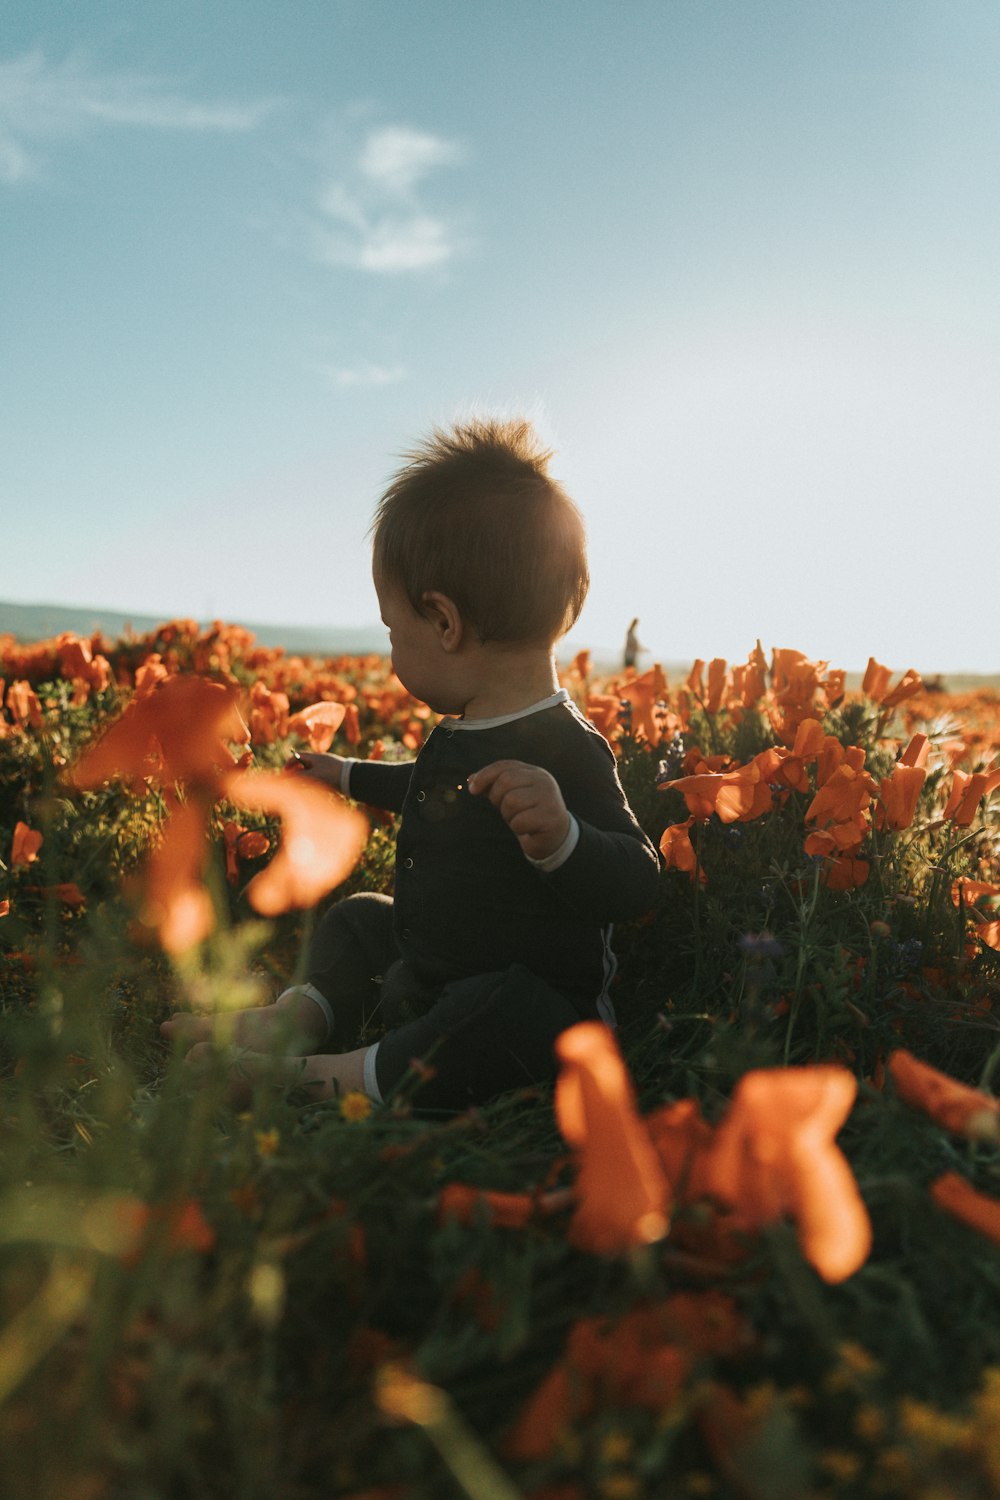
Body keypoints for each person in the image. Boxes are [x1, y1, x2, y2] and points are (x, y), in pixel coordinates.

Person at [162, 418, 660, 1110]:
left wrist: (564, 840)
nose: (394, 651)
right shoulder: (463, 733)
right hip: (435, 970)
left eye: (396, 631)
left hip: (538, 1017)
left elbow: (637, 881)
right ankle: (291, 1020)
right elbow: (425, 790)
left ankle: (325, 1080)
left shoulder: (569, 747)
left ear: (444, 623)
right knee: (363, 920)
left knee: (503, 1012)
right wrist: (347, 775)